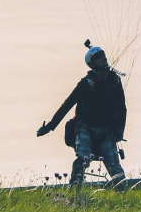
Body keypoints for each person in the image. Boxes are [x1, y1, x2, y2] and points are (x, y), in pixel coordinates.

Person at [37, 41, 127, 185]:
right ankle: (75, 186)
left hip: (106, 131)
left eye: (103, 55)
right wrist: (50, 126)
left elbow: (122, 108)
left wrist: (119, 132)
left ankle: (122, 191)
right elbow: (67, 105)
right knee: (83, 158)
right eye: (99, 57)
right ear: (93, 64)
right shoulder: (86, 84)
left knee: (116, 168)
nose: (103, 58)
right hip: (85, 128)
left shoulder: (114, 81)